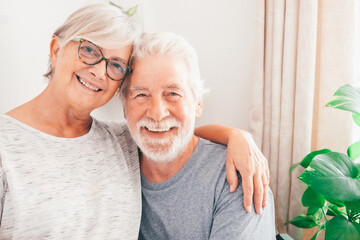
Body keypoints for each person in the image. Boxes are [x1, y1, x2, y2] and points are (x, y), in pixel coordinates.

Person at [0, 4, 269, 239]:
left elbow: (174, 135)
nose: (98, 71)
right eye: (89, 50)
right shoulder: (6, 149)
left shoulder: (121, 141)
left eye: (116, 64)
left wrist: (237, 137)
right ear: (55, 49)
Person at [120, 32, 276, 239]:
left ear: (198, 104)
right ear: (124, 107)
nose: (157, 113)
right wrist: (234, 134)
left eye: (173, 94)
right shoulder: (114, 157)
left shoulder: (237, 177)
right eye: (141, 95)